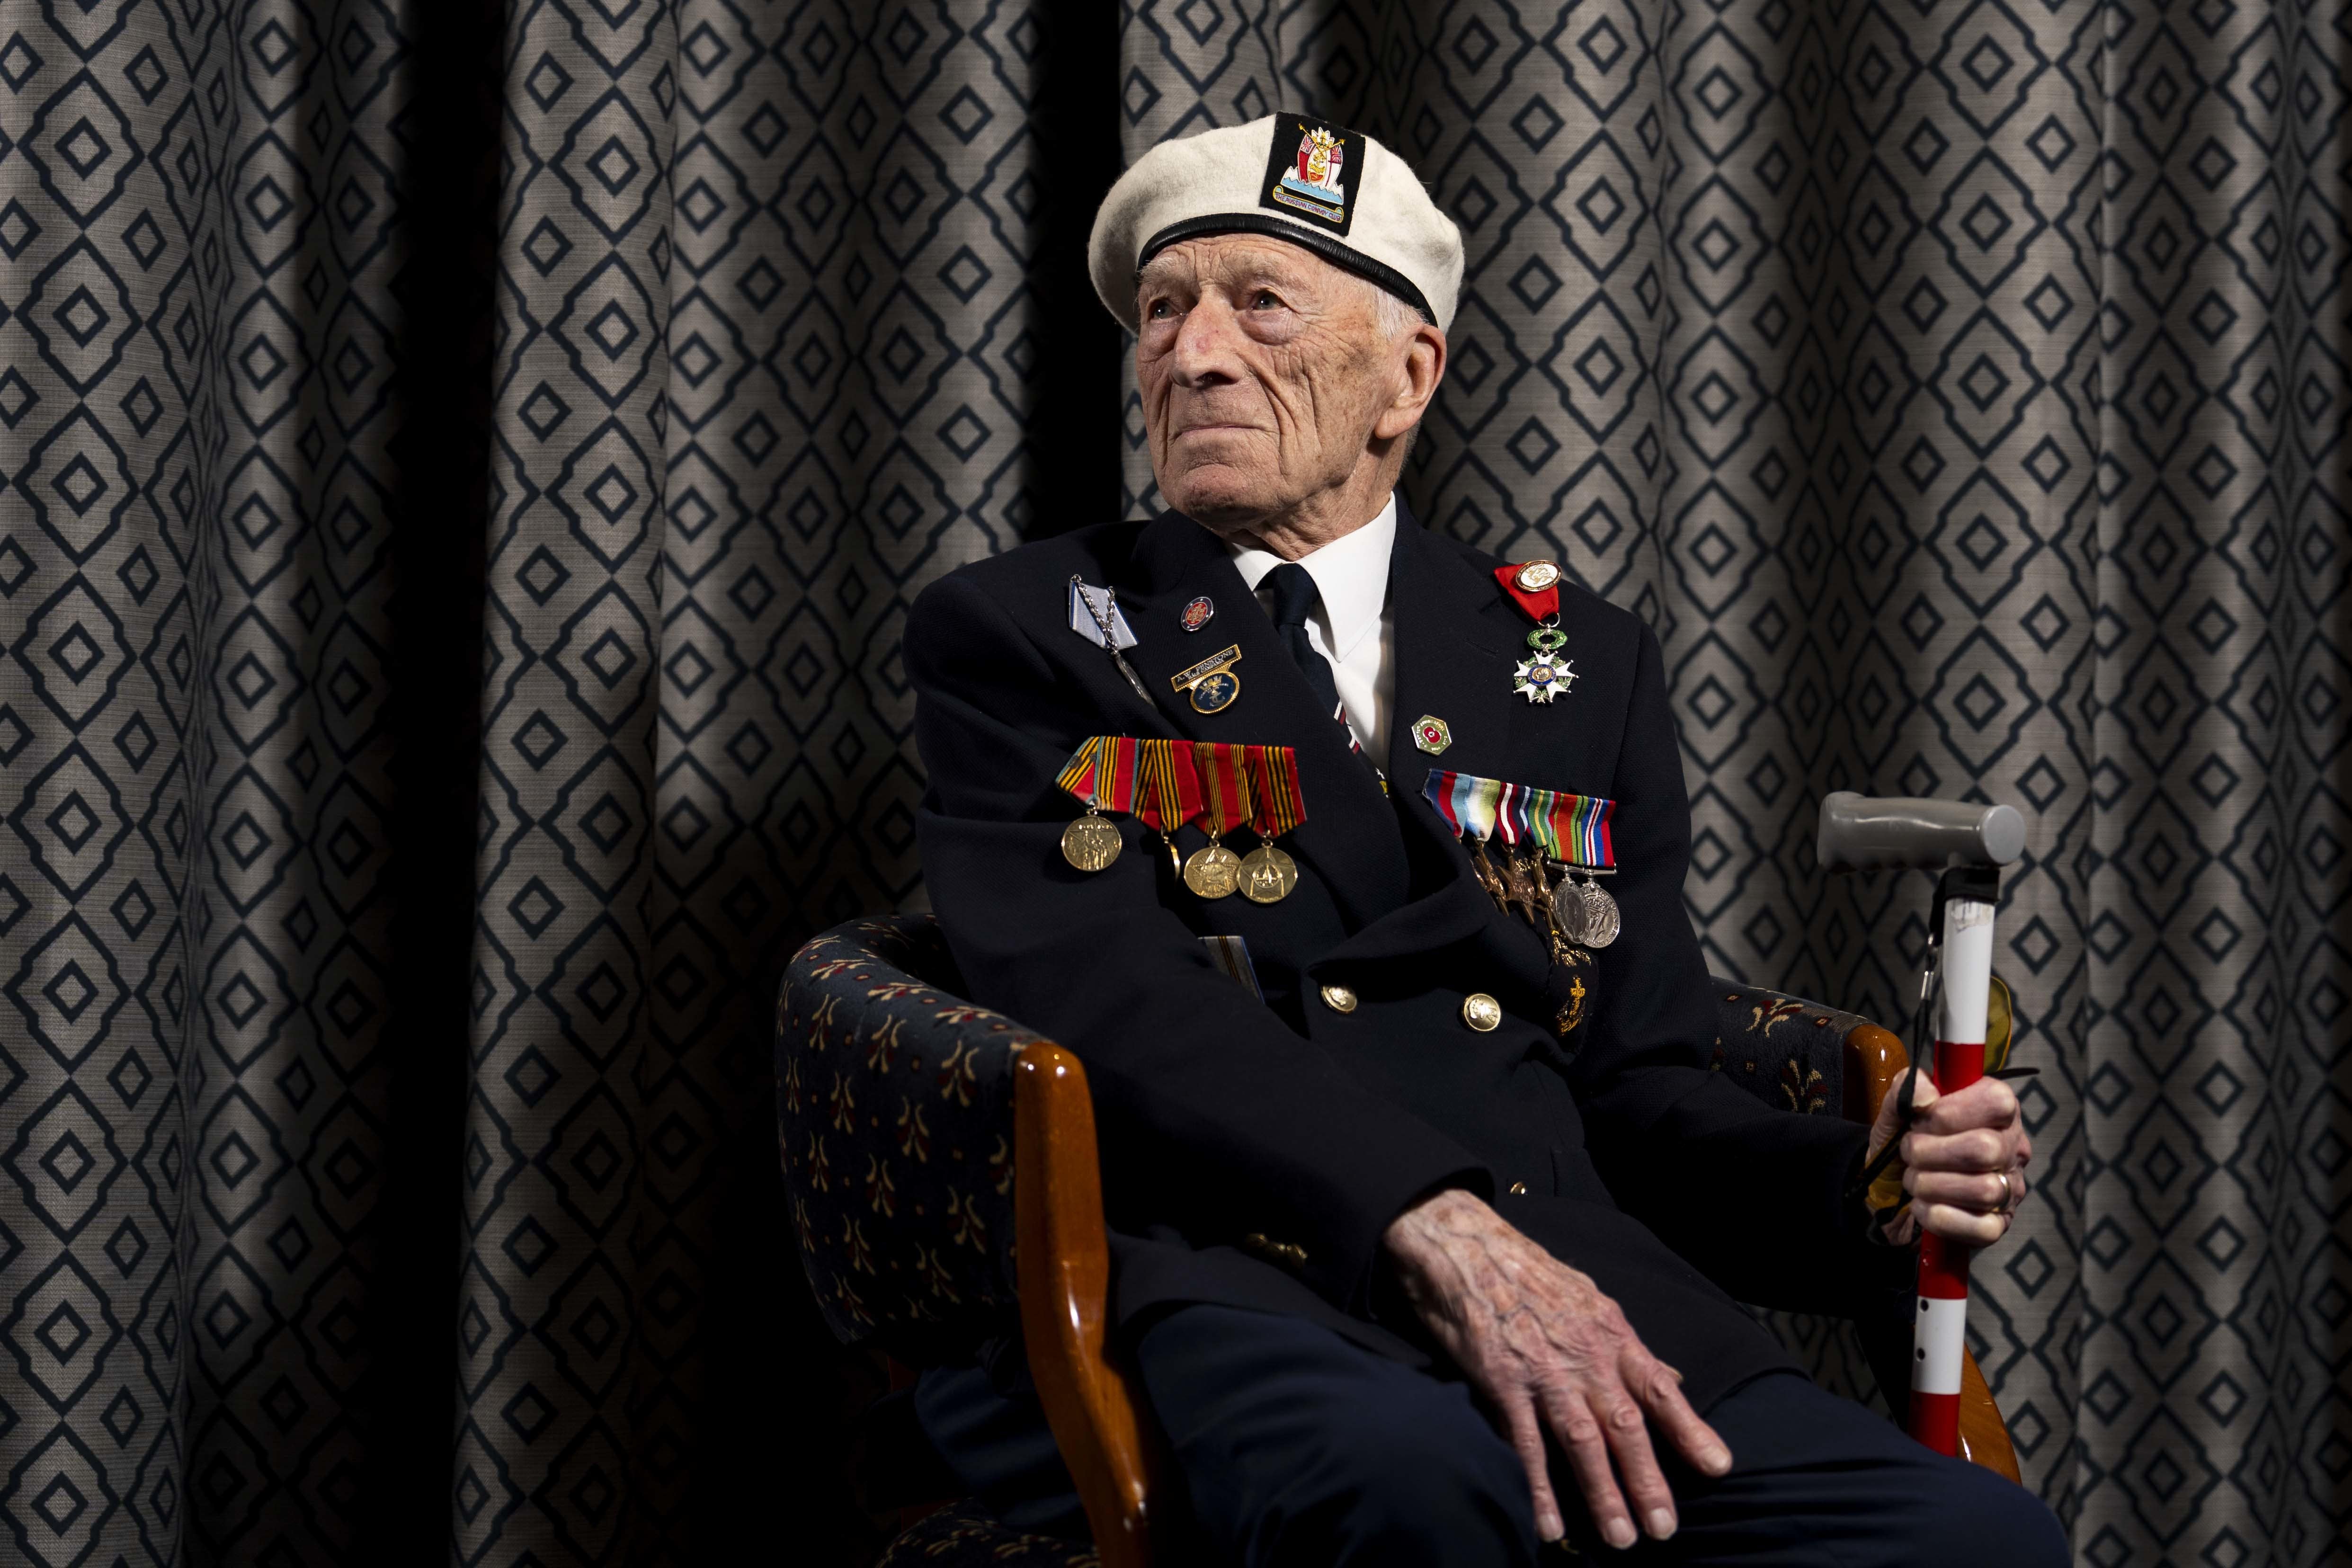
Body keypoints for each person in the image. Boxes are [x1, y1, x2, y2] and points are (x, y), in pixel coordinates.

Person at [903, 113, 2067, 1566]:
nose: (1190, 354)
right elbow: (1109, 1003)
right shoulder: (1031, 631)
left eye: (1258, 304)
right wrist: (1426, 1221)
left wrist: (1867, 1182)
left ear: (1409, 375)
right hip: (1241, 1283)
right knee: (1420, 1498)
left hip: (1576, 1277)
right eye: (1162, 311)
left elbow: (1636, 1078)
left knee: (1973, 1541)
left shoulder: (1575, 660)